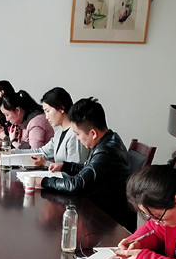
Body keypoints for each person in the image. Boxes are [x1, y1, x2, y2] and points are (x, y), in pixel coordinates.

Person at [41, 97, 134, 230]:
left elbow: (76, 185)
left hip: (109, 221)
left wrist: (44, 181)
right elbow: (90, 168)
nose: (77, 138)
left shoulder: (106, 152)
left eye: (77, 134)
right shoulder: (109, 139)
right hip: (101, 210)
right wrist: (66, 166)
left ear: (93, 133)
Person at [30, 87, 89, 168]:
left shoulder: (75, 134)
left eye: (48, 111)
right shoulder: (59, 133)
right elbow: (41, 152)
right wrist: (14, 152)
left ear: (61, 108)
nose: (46, 117)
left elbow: (75, 170)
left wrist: (46, 164)